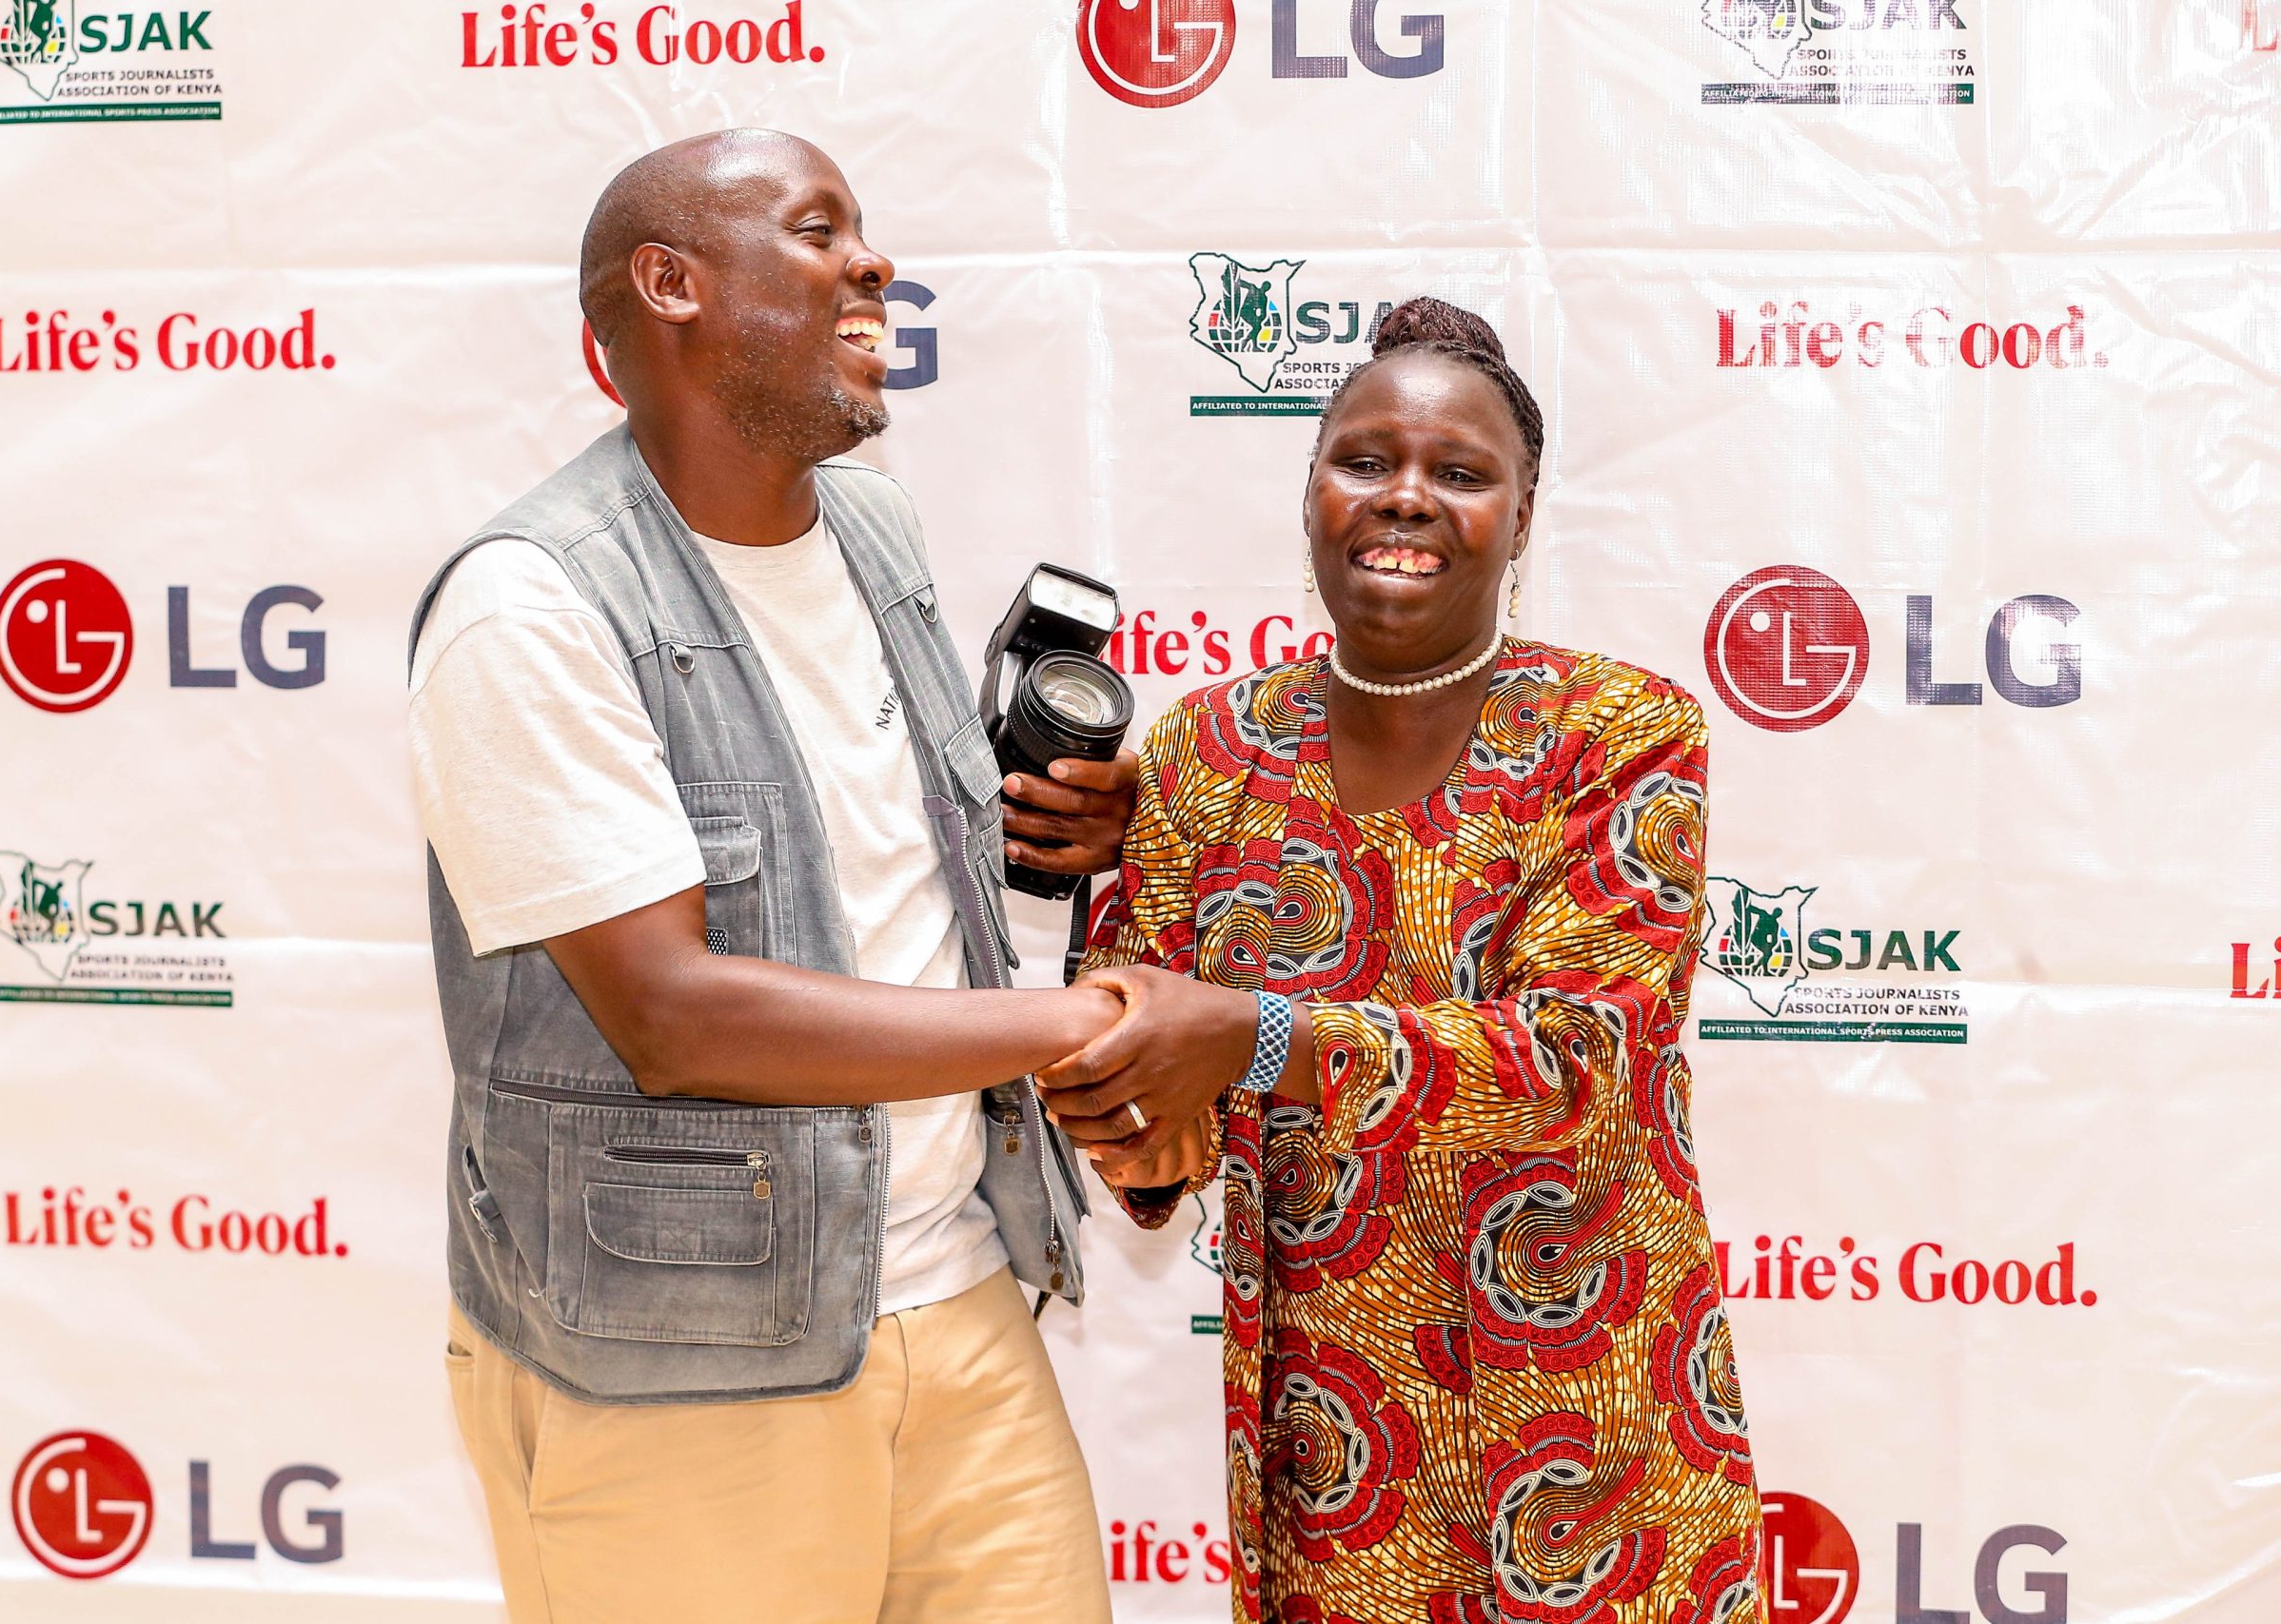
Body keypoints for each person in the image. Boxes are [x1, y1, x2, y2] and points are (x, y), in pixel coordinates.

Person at [405, 129, 1131, 1623]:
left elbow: (866, 864)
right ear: (669, 284)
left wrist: (1048, 836)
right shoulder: (529, 605)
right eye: (820, 232)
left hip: (960, 1304)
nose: (875, 265)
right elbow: (674, 1014)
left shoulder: (874, 525)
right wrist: (1088, 1024)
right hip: (677, 1373)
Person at [1037, 300, 1769, 1623]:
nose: (1406, 499)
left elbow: (1575, 1062)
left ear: (1524, 510)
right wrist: (1135, 1119)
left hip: (1593, 1418)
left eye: (1460, 472)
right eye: (1365, 462)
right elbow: (1147, 1056)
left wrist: (1249, 1039)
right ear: (1311, 487)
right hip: (1332, 1448)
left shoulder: (1622, 735)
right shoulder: (1208, 748)